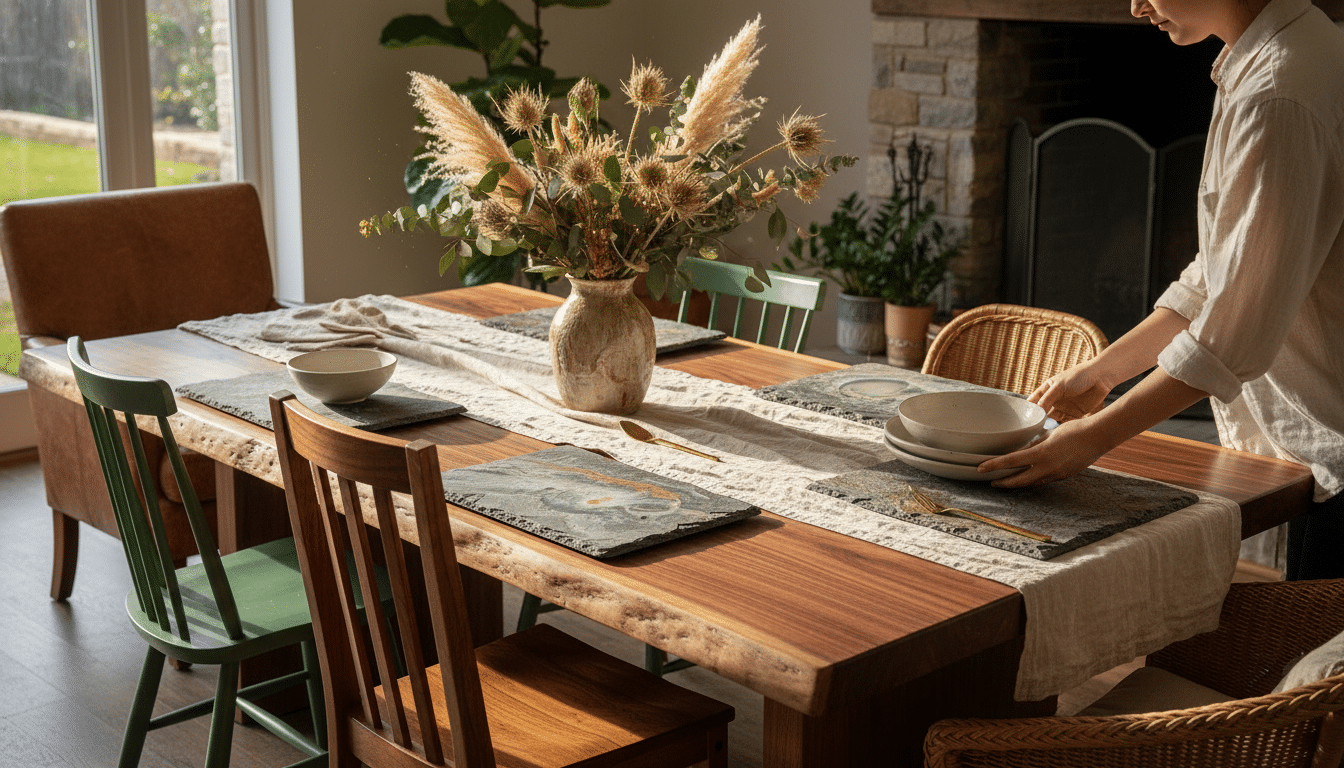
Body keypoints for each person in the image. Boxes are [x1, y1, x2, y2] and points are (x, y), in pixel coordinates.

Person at [979, 0, 1344, 580]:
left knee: (1315, 669)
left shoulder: (1279, 91)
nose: (1135, 5)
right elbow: (1218, 274)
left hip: (1337, 451)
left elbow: (1232, 333)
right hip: (1327, 448)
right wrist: (1100, 373)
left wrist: (1092, 440)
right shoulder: (1276, 55)